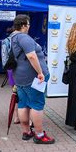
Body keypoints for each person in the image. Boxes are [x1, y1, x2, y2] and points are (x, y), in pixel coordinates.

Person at [11, 14, 54, 144]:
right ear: (24, 25)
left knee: (23, 103)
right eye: (28, 24)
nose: (29, 27)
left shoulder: (11, 38)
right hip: (32, 77)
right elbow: (32, 56)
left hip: (19, 77)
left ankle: (26, 132)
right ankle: (40, 135)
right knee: (37, 104)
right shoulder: (24, 38)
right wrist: (40, 72)